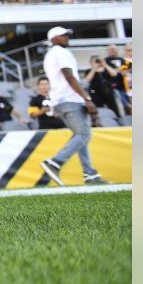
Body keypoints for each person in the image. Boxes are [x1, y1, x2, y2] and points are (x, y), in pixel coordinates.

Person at [40, 27, 108, 186]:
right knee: (84, 135)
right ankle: (55, 162)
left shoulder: (50, 55)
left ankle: (89, 173)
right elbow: (68, 76)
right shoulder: (61, 52)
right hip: (70, 99)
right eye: (63, 35)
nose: (67, 37)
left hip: (60, 100)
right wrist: (86, 98)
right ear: (54, 38)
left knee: (80, 135)